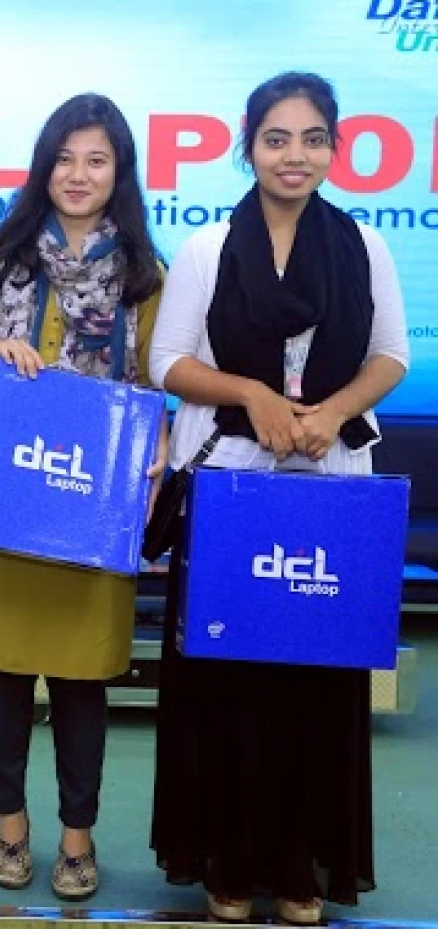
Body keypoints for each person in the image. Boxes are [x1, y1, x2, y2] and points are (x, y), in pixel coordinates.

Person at [148, 72, 408, 925]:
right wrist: (252, 393)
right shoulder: (208, 247)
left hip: (331, 491)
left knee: (313, 682)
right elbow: (167, 361)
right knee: (230, 683)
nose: (294, 155)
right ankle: (226, 860)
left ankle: (301, 864)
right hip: (231, 487)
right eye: (276, 138)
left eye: (312, 138)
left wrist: (332, 411)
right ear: (248, 145)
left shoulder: (364, 245)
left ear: (334, 148)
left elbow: (391, 354)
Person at [0, 93, 166, 901]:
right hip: (3, 490)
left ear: (119, 172)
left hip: (92, 500)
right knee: (1, 676)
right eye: (65, 158)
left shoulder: (145, 271)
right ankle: (10, 827)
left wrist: (159, 449)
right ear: (43, 167)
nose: (78, 174)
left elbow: (162, 377)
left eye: (96, 160)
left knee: (81, 680)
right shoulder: (2, 252)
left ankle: (78, 837)